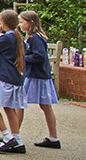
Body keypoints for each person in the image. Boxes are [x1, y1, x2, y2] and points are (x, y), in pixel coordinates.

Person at [0, 9, 28, 154]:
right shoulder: (17, 37)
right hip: (12, 77)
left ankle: (8, 137)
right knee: (9, 108)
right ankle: (17, 140)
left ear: (3, 23)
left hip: (4, 77)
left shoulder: (7, 38)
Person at [19, 10, 60, 149]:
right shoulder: (32, 37)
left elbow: (40, 56)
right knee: (45, 106)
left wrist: (22, 59)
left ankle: (13, 135)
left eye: (22, 22)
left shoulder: (35, 38)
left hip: (37, 76)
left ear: (30, 23)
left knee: (20, 103)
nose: (20, 25)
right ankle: (53, 138)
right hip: (37, 75)